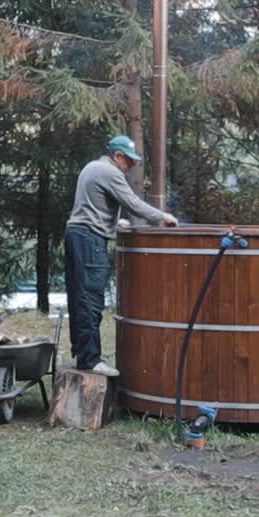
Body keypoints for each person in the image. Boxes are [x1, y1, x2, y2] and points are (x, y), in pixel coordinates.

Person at [65, 135, 178, 376]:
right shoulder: (110, 172)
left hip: (76, 234)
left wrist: (115, 223)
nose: (130, 166)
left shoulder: (91, 167)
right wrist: (163, 217)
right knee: (91, 300)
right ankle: (90, 360)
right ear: (117, 156)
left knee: (78, 297)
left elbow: (93, 205)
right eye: (128, 161)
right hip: (89, 240)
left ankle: (81, 351)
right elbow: (132, 202)